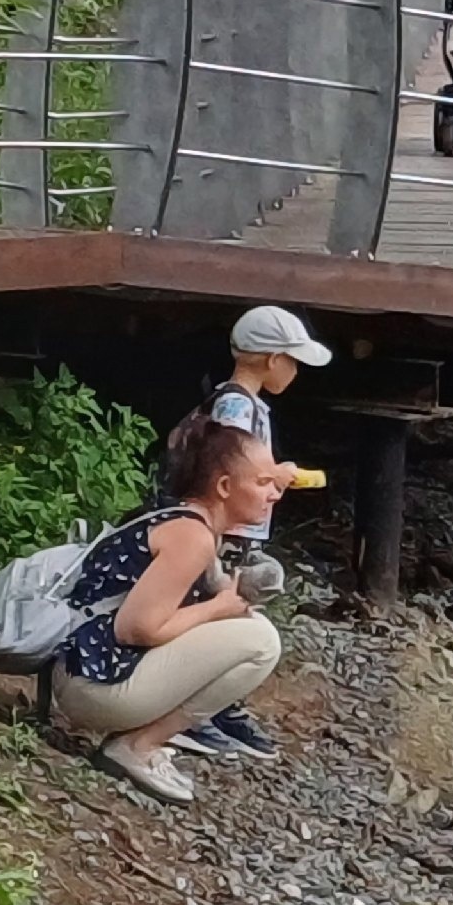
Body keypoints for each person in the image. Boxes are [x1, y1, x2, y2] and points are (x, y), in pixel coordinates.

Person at [52, 422, 285, 807]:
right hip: (92, 687)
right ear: (224, 487)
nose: (275, 494)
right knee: (260, 640)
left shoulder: (183, 519)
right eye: (263, 482)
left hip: (84, 673)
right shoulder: (190, 536)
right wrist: (218, 608)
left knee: (247, 627)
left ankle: (139, 743)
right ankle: (138, 747)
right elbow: (137, 629)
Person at [168, 305, 327, 762]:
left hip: (239, 529)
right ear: (273, 359)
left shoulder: (243, 402)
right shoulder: (237, 404)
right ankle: (197, 709)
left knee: (234, 608)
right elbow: (232, 465)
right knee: (222, 608)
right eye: (293, 361)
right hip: (229, 528)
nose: (295, 371)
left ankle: (219, 705)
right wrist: (279, 474)